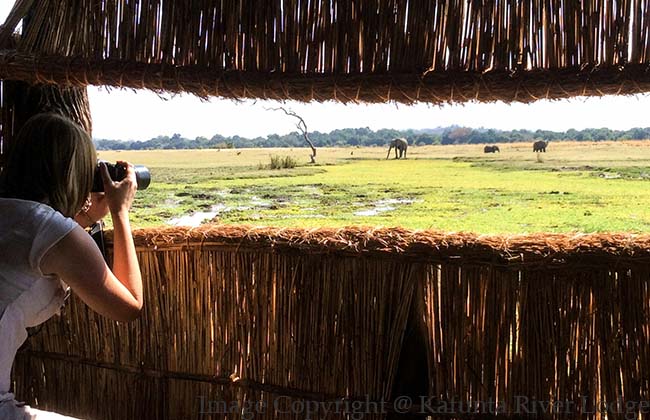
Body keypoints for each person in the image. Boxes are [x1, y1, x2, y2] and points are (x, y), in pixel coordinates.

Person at [0, 113, 143, 419]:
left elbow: (36, 241)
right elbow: (129, 306)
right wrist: (120, 212)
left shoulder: (16, 218)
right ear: (72, 173)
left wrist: (89, 218)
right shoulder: (49, 230)